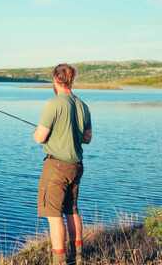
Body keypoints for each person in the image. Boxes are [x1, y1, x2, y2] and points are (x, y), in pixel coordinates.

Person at [33, 63, 92, 265]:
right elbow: (87, 138)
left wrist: (39, 133)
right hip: (76, 166)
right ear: (71, 80)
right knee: (72, 210)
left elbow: (40, 137)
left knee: (54, 215)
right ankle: (78, 258)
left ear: (56, 79)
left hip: (56, 167)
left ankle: (59, 261)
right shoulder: (82, 105)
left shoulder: (54, 103)